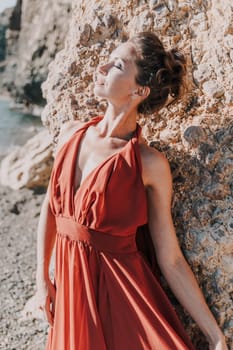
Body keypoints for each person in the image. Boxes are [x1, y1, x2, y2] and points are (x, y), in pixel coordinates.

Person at [34, 32, 227, 349]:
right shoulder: (70, 134)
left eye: (117, 64)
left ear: (139, 89)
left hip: (121, 296)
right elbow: (50, 210)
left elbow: (170, 258)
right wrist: (42, 281)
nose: (102, 66)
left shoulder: (149, 164)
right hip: (71, 290)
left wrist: (214, 335)